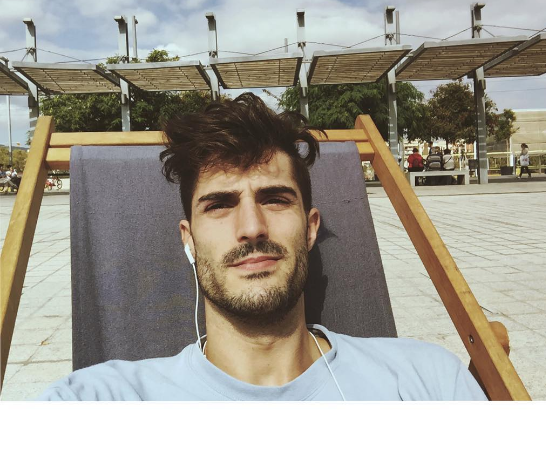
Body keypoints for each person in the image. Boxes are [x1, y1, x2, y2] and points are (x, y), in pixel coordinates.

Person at [35, 93, 486, 401]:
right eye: (219, 205)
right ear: (188, 240)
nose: (251, 228)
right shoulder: (106, 400)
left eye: (275, 199)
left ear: (310, 229)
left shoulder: (427, 381)